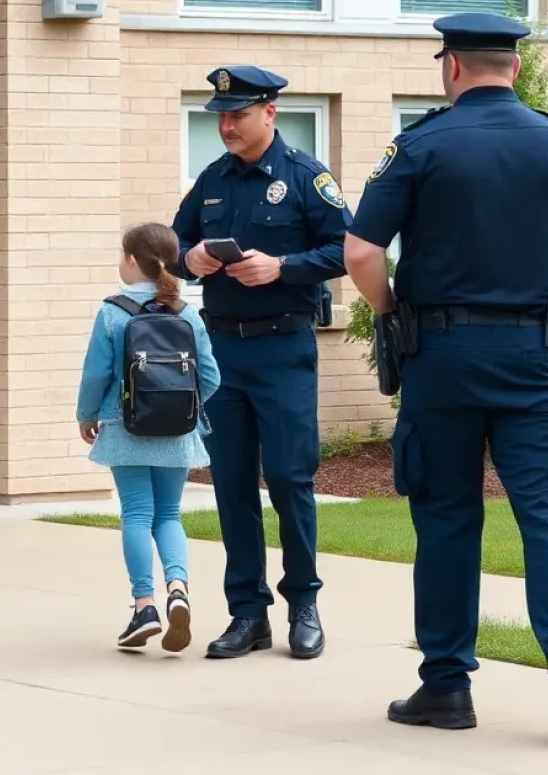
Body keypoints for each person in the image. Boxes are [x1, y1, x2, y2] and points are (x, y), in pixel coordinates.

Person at [345, 12, 548, 730]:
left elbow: (362, 253)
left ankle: (447, 688)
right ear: (516, 69)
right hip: (538, 357)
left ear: (452, 67)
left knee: (446, 520)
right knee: (547, 520)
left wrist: (391, 310)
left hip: (443, 357)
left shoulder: (419, 145)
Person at [171, 66, 351, 661]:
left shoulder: (305, 177)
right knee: (231, 485)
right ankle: (247, 615)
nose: (226, 125)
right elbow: (174, 246)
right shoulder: (212, 179)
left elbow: (345, 250)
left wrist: (283, 267)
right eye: (220, 115)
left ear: (269, 113)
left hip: (283, 348)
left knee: (290, 479)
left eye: (238, 114)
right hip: (223, 351)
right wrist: (190, 257)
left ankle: (304, 603)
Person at [77, 222, 220, 650]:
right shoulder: (187, 312)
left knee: (137, 514)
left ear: (133, 260)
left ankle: (144, 606)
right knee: (169, 515)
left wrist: (87, 415)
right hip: (177, 430)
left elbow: (97, 374)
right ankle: (179, 589)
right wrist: (181, 407)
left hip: (125, 425)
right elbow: (210, 377)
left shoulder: (111, 311)